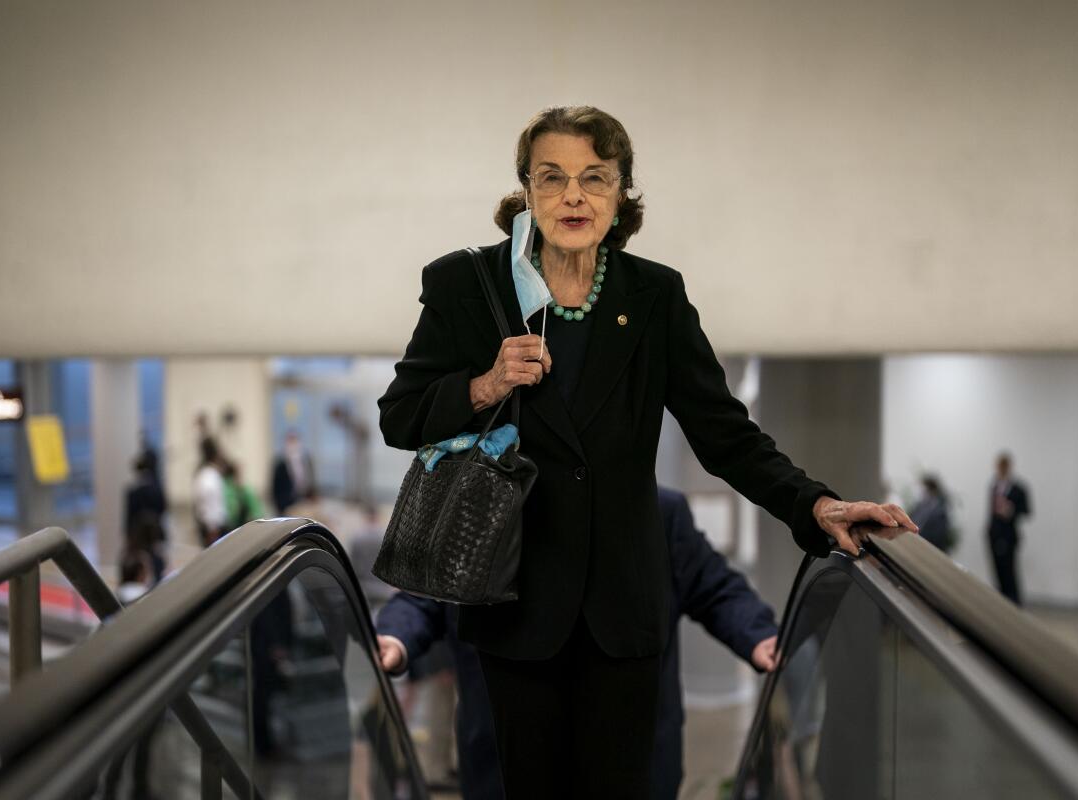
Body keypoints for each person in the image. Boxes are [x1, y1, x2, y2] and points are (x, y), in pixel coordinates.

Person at [376, 105, 915, 798]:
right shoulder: (467, 286)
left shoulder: (653, 295)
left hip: (619, 616)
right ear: (527, 190)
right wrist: (483, 385)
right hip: (512, 600)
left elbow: (723, 431)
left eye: (594, 178)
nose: (574, 196)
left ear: (621, 193)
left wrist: (814, 503)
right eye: (553, 177)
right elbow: (400, 415)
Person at [376, 487, 780, 800]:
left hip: (631, 763)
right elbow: (424, 597)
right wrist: (394, 636)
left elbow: (716, 589)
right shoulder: (480, 509)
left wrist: (759, 635)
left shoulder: (657, 511)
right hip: (504, 764)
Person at [987, 452, 1031, 604]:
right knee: (998, 571)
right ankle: (1001, 602)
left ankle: (1014, 603)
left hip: (1009, 536)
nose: (1001, 469)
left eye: (1004, 466)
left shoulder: (1018, 488)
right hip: (994, 535)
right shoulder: (994, 486)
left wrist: (1011, 510)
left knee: (1009, 573)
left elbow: (1027, 510)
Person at [124, 453, 168, 584]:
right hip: (154, 535)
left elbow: (128, 517)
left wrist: (128, 536)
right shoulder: (156, 489)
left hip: (138, 536)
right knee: (156, 564)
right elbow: (163, 508)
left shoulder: (133, 492)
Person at [193, 437, 227, 546]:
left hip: (212, 526)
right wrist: (213, 531)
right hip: (213, 530)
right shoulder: (209, 476)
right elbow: (210, 505)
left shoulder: (204, 474)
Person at [271, 430, 314, 515]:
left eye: (294, 440)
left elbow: (310, 480)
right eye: (290, 440)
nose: (292, 444)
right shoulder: (280, 463)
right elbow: (275, 487)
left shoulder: (306, 460)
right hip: (287, 504)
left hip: (304, 502)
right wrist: (279, 507)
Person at [909, 474, 953, 552]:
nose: (921, 491)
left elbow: (937, 537)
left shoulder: (940, 512)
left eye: (924, 488)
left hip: (925, 549)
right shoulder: (920, 505)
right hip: (912, 543)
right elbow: (910, 519)